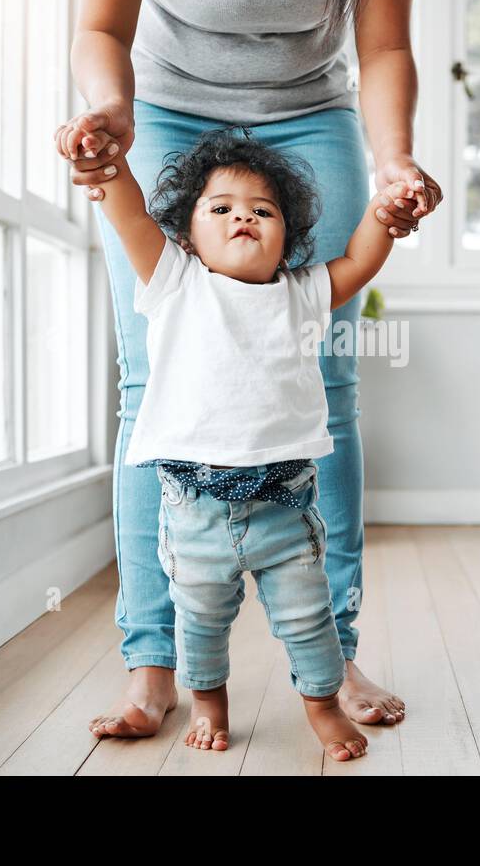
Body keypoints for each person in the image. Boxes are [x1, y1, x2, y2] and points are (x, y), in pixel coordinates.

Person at [56, 0, 443, 737]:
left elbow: (383, 46)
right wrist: (109, 110)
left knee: (326, 384)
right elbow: (99, 23)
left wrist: (396, 158)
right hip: (160, 109)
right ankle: (153, 662)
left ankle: (332, 653)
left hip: (309, 115)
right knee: (153, 383)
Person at [90, 124, 416, 759]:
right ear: (187, 235)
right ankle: (209, 703)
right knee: (201, 625)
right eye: (221, 209)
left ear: (286, 239)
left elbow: (359, 260)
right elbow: (129, 215)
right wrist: (107, 163)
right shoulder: (174, 281)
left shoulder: (302, 291)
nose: (243, 217)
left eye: (262, 211)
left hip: (285, 509)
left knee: (310, 623)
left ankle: (321, 707)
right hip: (193, 511)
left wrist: (385, 212)